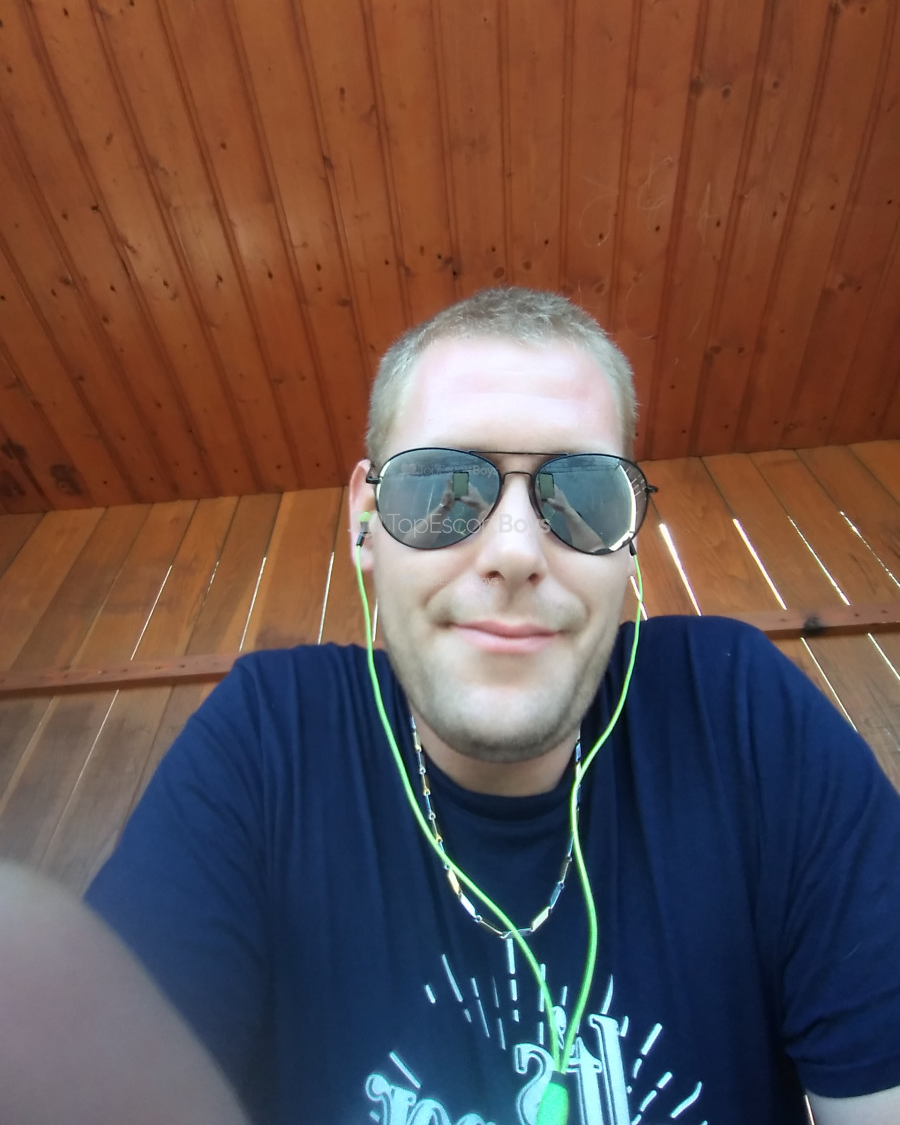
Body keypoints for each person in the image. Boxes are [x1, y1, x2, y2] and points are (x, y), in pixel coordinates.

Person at [83, 288, 900, 1125]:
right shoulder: (269, 743)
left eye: (582, 495)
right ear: (366, 523)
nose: (514, 552)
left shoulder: (738, 715)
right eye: (443, 487)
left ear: (629, 541)